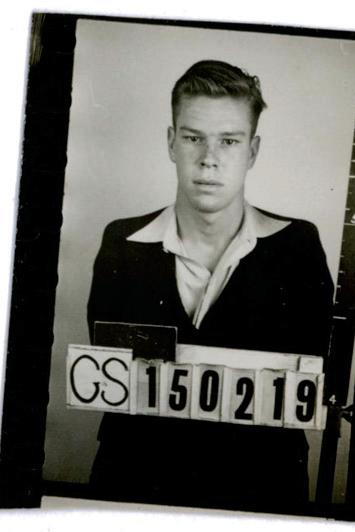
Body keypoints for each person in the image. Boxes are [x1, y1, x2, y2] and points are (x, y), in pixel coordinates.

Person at [87, 60, 334, 512]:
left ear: (252, 151)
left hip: (259, 495)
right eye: (193, 138)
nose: (208, 158)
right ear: (171, 142)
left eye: (229, 141)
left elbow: (307, 384)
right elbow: (115, 379)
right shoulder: (122, 243)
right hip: (134, 489)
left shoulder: (297, 247)